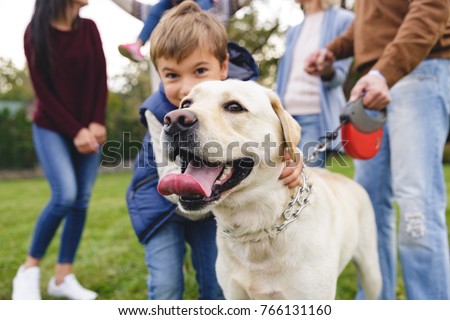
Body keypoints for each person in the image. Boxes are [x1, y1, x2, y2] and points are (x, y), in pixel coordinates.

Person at [126, 1, 303, 299]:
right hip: (158, 201)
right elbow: (170, 174)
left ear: (222, 67)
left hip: (215, 199)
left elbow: (271, 134)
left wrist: (291, 158)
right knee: (167, 283)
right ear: (158, 73)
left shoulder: (248, 95)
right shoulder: (158, 113)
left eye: (199, 70)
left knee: (215, 286)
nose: (185, 89)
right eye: (171, 75)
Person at [305, 0, 450, 299]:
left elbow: (431, 7)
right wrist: (332, 50)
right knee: (370, 202)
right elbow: (369, 22)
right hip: (375, 80)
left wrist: (384, 73)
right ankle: (377, 303)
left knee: (416, 205)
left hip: (420, 69)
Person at [12, 0, 107, 300]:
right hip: (51, 127)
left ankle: (62, 279)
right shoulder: (35, 33)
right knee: (64, 195)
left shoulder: (89, 29)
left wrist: (96, 121)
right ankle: (28, 269)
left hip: (89, 128)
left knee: (81, 201)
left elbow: (100, 79)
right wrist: (76, 129)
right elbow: (44, 93)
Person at [276, 0, 353, 167]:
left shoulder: (344, 20)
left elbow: (339, 77)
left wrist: (326, 71)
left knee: (307, 176)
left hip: (315, 117)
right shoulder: (293, 31)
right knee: (282, 178)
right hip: (287, 116)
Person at [118, 0, 249, 63]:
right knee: (156, 11)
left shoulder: (214, 6)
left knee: (198, 15)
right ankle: (138, 44)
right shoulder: (162, 12)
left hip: (206, 50)